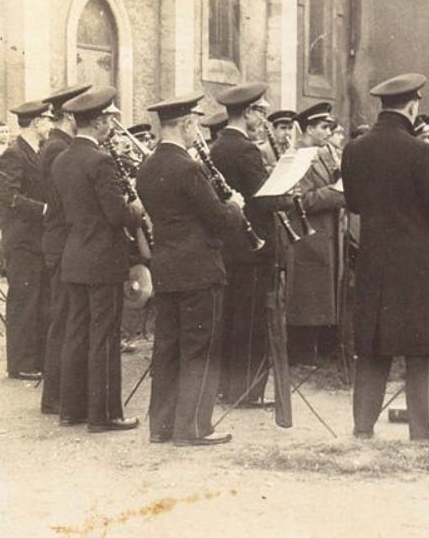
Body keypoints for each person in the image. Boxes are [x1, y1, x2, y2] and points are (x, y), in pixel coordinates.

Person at [341, 72, 429, 444]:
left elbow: (355, 203)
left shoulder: (355, 149)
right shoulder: (419, 150)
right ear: (412, 106)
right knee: (421, 344)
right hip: (416, 261)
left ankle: (363, 426)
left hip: (374, 258)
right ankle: (423, 428)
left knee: (373, 342)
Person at [137, 92, 246, 446]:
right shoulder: (189, 167)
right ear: (185, 124)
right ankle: (194, 428)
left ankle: (162, 426)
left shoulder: (148, 167)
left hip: (167, 267)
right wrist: (234, 205)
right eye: (193, 125)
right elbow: (217, 219)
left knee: (167, 347)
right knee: (200, 347)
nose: (195, 131)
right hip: (199, 269)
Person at [53, 85, 143, 431]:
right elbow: (116, 215)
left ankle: (71, 410)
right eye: (109, 120)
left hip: (74, 256)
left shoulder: (62, 159)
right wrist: (134, 210)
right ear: (101, 121)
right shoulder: (101, 160)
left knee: (76, 333)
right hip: (102, 259)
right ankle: (104, 414)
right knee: (103, 336)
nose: (111, 127)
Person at [211, 83, 290, 407]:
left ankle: (226, 387)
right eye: (260, 110)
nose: (264, 117)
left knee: (230, 317)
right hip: (254, 247)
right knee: (253, 320)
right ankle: (246, 392)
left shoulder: (217, 147)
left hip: (228, 246)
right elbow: (264, 198)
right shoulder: (245, 150)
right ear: (247, 113)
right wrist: (285, 190)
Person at [39, 83, 92, 414]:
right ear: (70, 115)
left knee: (62, 319)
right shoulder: (59, 149)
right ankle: (57, 396)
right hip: (62, 240)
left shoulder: (55, 145)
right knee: (64, 319)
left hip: (59, 240)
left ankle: (56, 395)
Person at [286, 102, 343, 366]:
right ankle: (303, 352)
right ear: (308, 128)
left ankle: (323, 349)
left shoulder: (322, 153)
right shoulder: (297, 156)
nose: (327, 133)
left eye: (329, 127)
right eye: (323, 127)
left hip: (325, 233)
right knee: (307, 294)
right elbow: (302, 200)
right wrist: (337, 191)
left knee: (321, 292)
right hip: (306, 236)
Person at [1, 100, 54, 380]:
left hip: (36, 240)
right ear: (36, 123)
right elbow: (9, 197)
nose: (50, 125)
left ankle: (36, 359)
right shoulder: (14, 154)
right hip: (22, 241)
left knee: (39, 298)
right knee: (24, 300)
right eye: (48, 120)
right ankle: (20, 364)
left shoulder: (37, 151)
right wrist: (44, 209)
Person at [0, 121, 11, 273]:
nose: (5, 135)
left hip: (9, 196)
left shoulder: (13, 151)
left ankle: (6, 264)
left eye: (7, 132)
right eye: (2, 132)